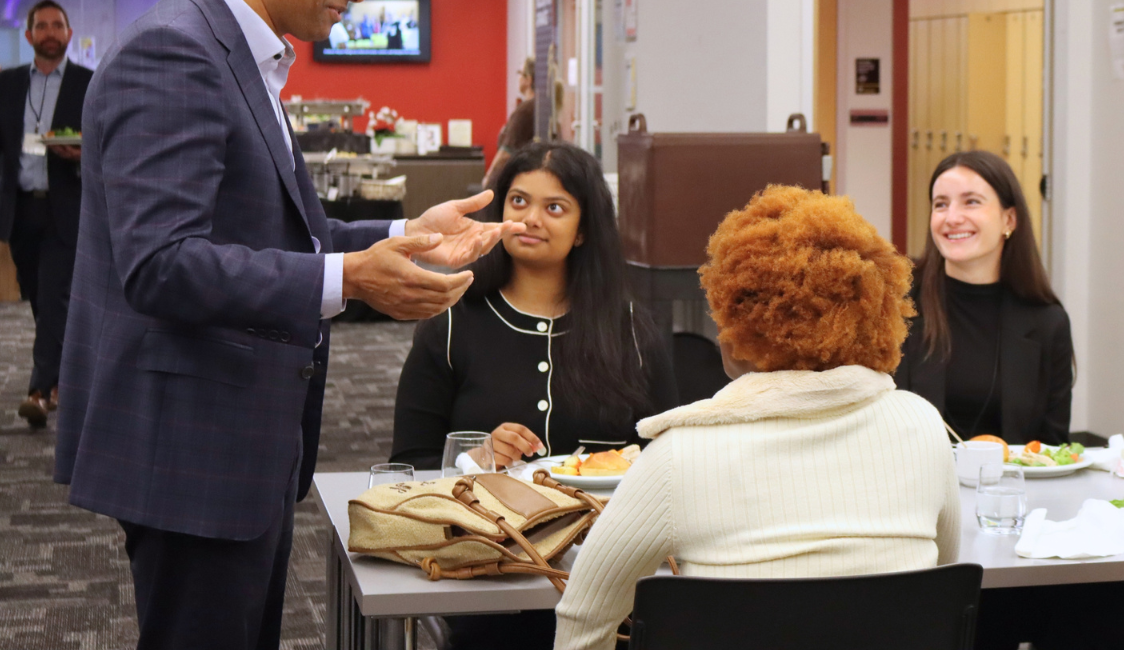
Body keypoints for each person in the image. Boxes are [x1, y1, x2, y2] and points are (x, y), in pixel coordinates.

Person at [53, 0, 524, 650]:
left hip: (238, 440)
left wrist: (399, 237)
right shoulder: (177, 52)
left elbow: (277, 238)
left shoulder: (244, 56)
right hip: (190, 447)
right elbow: (161, 264)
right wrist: (348, 277)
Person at [554, 185, 961, 650]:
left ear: (734, 331)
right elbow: (938, 580)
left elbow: (583, 622)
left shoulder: (680, 456)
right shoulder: (923, 427)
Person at [391, 141, 677, 650]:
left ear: (584, 228)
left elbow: (670, 460)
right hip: (489, 581)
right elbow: (407, 469)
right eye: (518, 202)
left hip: (610, 583)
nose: (530, 219)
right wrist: (472, 460)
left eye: (555, 207)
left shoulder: (633, 330)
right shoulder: (452, 320)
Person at [892, 151, 1075, 445]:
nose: (952, 218)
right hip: (912, 485)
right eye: (941, 205)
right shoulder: (896, 304)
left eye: (971, 202)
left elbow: (1051, 447)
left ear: (1009, 219)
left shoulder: (1047, 322)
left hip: (1010, 488)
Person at [0, 0, 91, 428]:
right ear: (29, 35)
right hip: (21, 210)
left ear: (69, 35)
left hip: (66, 208)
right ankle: (62, 381)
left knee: (54, 296)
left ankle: (38, 392)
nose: (50, 31)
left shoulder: (89, 84)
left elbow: (106, 143)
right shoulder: (7, 84)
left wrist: (80, 154)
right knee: (41, 298)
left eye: (58, 25)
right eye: (42, 25)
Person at [484, 56, 535, 185]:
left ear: (528, 79)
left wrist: (489, 177)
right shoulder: (540, 106)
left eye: (520, 73)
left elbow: (506, 151)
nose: (518, 78)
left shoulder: (525, 110)